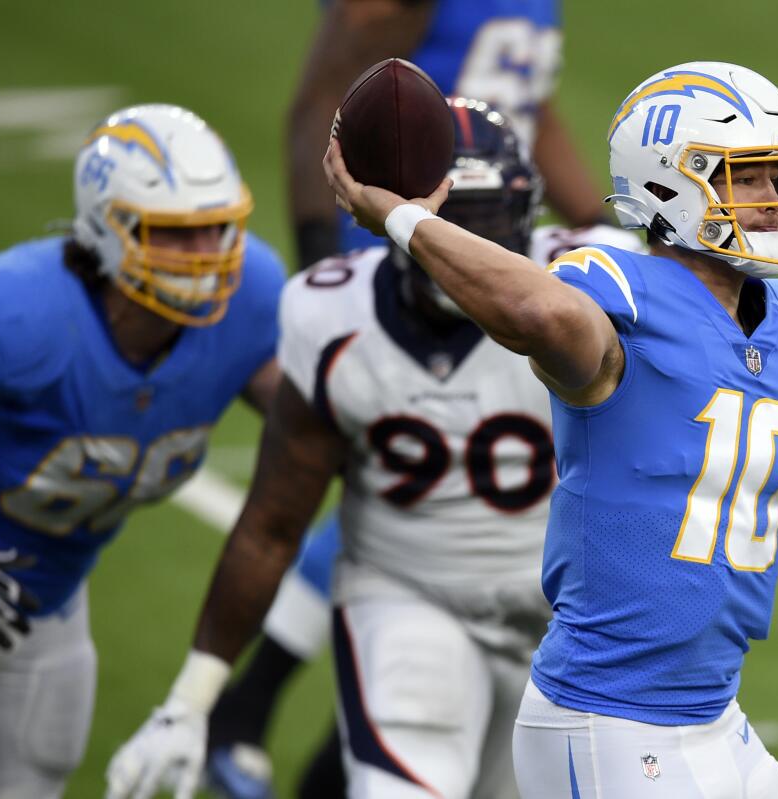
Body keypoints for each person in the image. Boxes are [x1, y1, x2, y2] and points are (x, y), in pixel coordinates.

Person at [122, 59, 778, 797]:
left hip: (714, 717)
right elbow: (546, 321)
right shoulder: (615, 289)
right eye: (748, 173)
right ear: (670, 185)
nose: (772, 196)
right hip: (611, 723)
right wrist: (401, 218)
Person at [107, 98, 642, 799]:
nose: (472, 242)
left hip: (571, 613)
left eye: (489, 224)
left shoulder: (593, 287)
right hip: (412, 597)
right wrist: (194, 697)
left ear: (530, 218)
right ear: (402, 217)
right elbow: (274, 521)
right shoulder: (332, 315)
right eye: (452, 222)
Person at [0, 103, 284, 797]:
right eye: (178, 235)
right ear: (109, 227)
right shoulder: (21, 314)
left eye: (219, 228)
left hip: (37, 611)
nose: (208, 255)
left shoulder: (252, 298)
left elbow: (319, 430)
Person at [288, 0, 609, 268]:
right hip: (395, 243)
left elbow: (525, 109)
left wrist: (600, 228)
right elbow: (325, 100)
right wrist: (319, 251)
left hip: (495, 235)